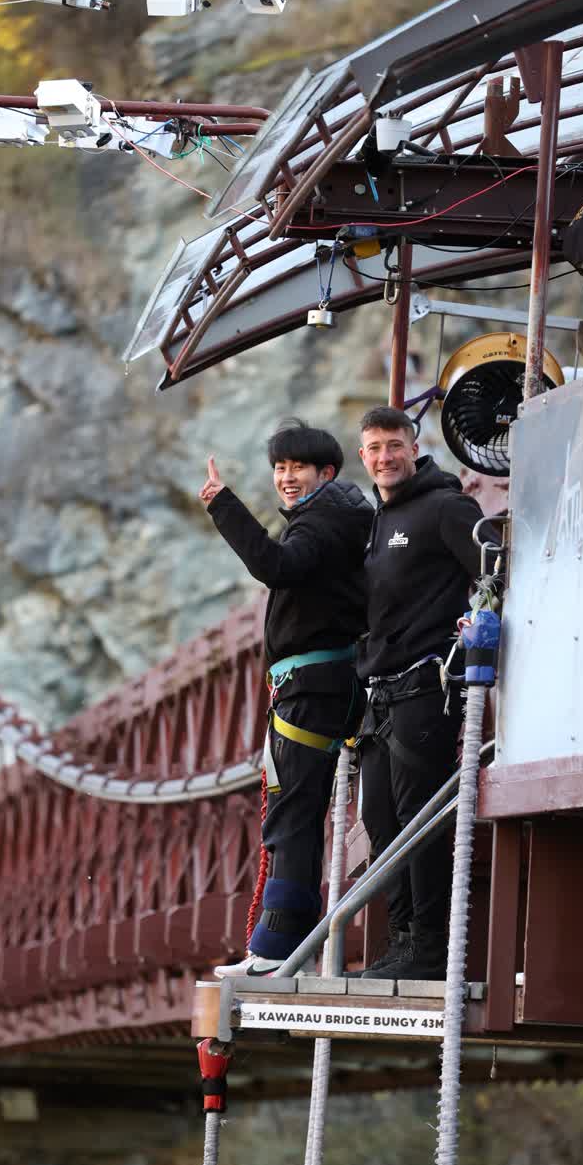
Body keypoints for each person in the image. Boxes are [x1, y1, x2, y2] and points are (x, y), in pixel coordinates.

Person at [199, 418, 372, 977]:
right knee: (296, 811)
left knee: (292, 814)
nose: (286, 477)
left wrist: (224, 505)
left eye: (298, 467)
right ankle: (284, 944)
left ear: (327, 473)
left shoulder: (321, 523)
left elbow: (276, 566)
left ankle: (277, 948)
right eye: (279, 467)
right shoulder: (339, 515)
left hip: (310, 689)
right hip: (322, 683)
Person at [356, 406, 487, 981]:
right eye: (374, 448)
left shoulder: (445, 507)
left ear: (414, 446)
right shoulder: (378, 520)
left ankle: (430, 948)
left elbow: (496, 573)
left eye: (394, 445)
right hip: (380, 694)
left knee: (420, 820)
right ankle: (403, 941)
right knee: (382, 822)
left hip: (426, 687)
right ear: (362, 457)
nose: (384, 457)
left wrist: (477, 625)